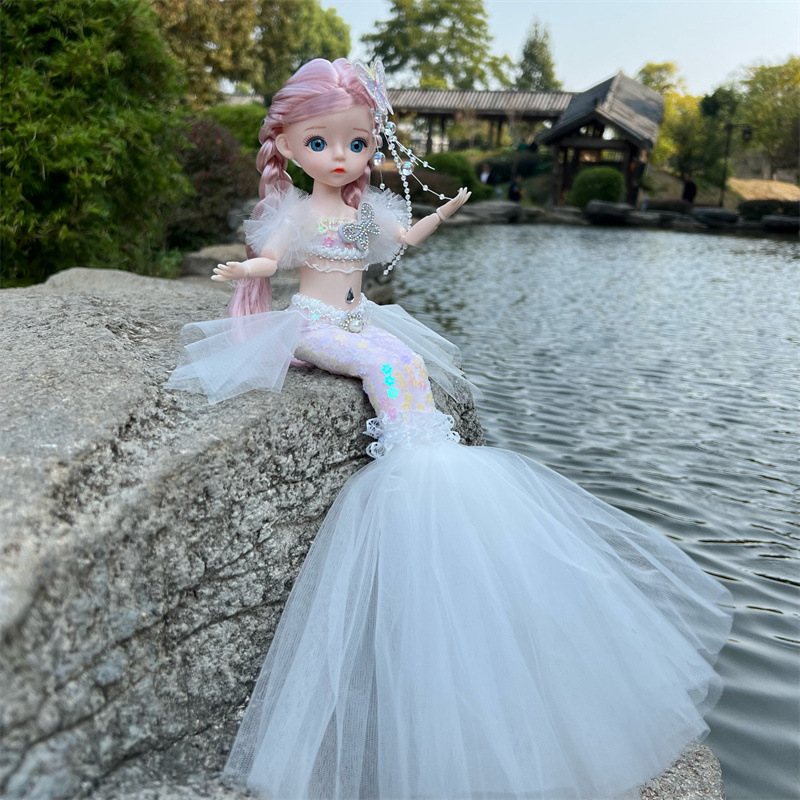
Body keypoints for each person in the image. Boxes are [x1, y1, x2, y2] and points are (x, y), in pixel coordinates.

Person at [165, 58, 733, 800]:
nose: (341, 157)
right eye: (321, 143)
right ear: (289, 146)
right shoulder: (297, 213)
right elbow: (272, 260)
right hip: (311, 324)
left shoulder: (362, 212)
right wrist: (247, 273)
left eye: (357, 144)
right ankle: (416, 458)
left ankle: (425, 443)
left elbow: (404, 238)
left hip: (359, 318)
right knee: (386, 368)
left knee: (407, 362)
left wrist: (444, 212)